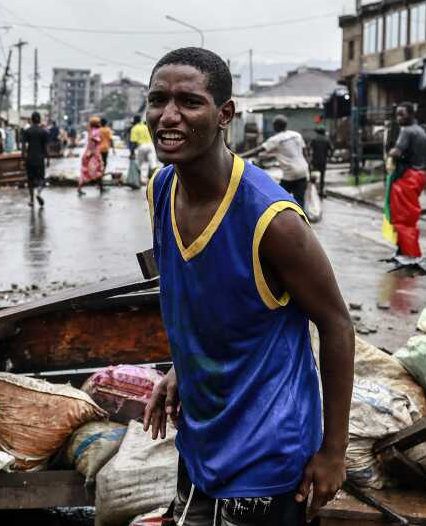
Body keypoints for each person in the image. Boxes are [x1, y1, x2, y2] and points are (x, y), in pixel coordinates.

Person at [141, 47, 353, 525]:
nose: (168, 116)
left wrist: (334, 453)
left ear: (224, 115)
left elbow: (337, 325)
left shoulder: (272, 220)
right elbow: (203, 299)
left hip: (268, 455)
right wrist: (180, 369)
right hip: (201, 441)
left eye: (189, 102)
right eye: (158, 100)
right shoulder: (161, 190)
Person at [384, 102, 426, 258]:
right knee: (408, 218)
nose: (398, 118)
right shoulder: (420, 131)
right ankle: (403, 250)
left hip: (408, 177)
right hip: (419, 176)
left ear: (411, 114)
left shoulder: (407, 131)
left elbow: (397, 152)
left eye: (401, 114)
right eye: (397, 114)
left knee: (403, 219)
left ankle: (410, 255)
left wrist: (390, 151)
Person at [242, 115, 310, 206]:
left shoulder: (275, 140)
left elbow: (257, 150)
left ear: (276, 126)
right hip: (303, 171)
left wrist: (241, 156)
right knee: (300, 200)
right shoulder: (296, 135)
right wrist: (310, 168)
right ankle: (302, 218)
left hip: (290, 174)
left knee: (278, 198)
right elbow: (305, 153)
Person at [22, 111, 49, 207]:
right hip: (40, 159)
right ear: (39, 120)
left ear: (31, 120)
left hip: (30, 158)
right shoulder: (44, 132)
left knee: (30, 180)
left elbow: (24, 146)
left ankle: (31, 200)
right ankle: (38, 193)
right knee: (41, 179)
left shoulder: (27, 131)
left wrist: (23, 158)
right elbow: (45, 147)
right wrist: (48, 159)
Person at [77, 118, 105, 196]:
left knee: (86, 172)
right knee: (97, 171)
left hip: (89, 154)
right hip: (93, 155)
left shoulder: (91, 131)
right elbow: (93, 143)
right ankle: (101, 187)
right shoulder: (95, 132)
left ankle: (100, 188)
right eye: (98, 122)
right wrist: (92, 153)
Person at [129, 114, 157, 184]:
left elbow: (133, 142)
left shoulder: (134, 128)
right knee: (153, 164)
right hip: (151, 146)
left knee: (139, 164)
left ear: (134, 121)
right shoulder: (146, 126)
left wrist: (132, 153)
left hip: (141, 146)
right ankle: (156, 179)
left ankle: (140, 180)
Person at [308, 126, 332, 198]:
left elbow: (308, 147)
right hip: (323, 161)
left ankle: (313, 191)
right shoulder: (327, 140)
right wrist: (329, 156)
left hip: (315, 161)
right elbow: (332, 148)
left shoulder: (314, 139)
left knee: (312, 177)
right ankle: (321, 191)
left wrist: (309, 156)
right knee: (322, 177)